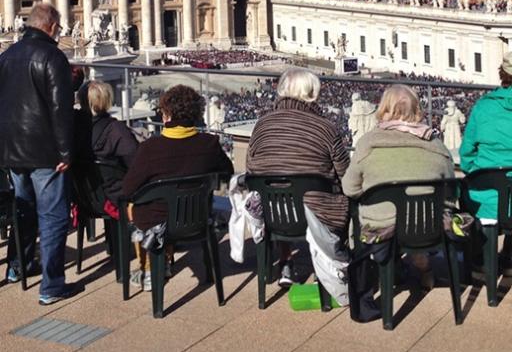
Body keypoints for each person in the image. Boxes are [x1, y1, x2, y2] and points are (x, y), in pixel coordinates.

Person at [0, 2, 81, 304]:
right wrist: (65, 151)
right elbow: (61, 109)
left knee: (23, 211)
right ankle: (51, 285)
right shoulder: (52, 56)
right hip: (45, 152)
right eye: (58, 29)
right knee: (53, 217)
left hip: (11, 150)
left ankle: (17, 267)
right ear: (50, 27)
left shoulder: (6, 56)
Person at [342, 84, 454, 299]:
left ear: (383, 109)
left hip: (380, 227)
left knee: (383, 216)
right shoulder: (436, 145)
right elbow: (449, 190)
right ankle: (424, 268)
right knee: (415, 217)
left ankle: (388, 267)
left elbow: (349, 188)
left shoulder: (367, 144)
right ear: (417, 111)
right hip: (427, 226)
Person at [246, 67, 351, 287]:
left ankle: (285, 261)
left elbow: (250, 170)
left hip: (274, 214)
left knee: (280, 192)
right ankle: (337, 263)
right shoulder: (326, 129)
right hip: (318, 214)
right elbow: (346, 176)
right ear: (313, 94)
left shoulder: (261, 125)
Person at [122, 85, 233, 292]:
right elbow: (227, 172)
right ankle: (165, 257)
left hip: (157, 223)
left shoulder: (150, 148)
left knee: (133, 206)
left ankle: (149, 270)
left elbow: (128, 189)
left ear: (166, 115)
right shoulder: (209, 143)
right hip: (197, 219)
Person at [460, 52, 512, 272]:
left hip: (487, 198)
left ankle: (478, 259)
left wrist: (477, 173)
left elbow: (466, 154)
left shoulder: (483, 107)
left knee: (465, 191)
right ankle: (509, 257)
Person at [76, 81, 138, 217]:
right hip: (114, 197)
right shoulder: (116, 130)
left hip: (83, 195)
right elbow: (135, 163)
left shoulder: (73, 128)